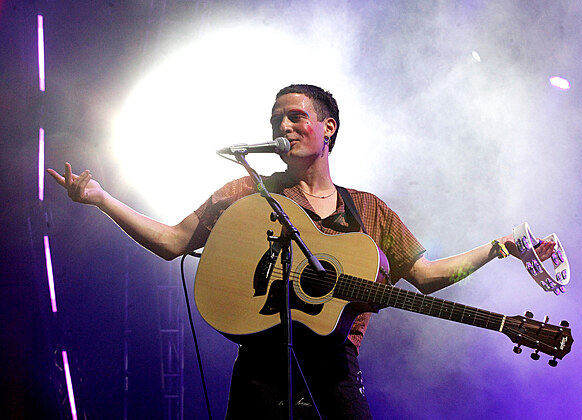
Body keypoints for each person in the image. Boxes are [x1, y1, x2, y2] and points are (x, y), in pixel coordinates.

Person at [48, 84, 554, 419]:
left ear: (327, 127)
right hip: (262, 365)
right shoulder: (246, 193)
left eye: (296, 117)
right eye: (277, 121)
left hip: (336, 368)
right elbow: (174, 242)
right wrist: (101, 199)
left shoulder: (370, 210)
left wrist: (499, 247)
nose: (283, 128)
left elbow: (425, 276)